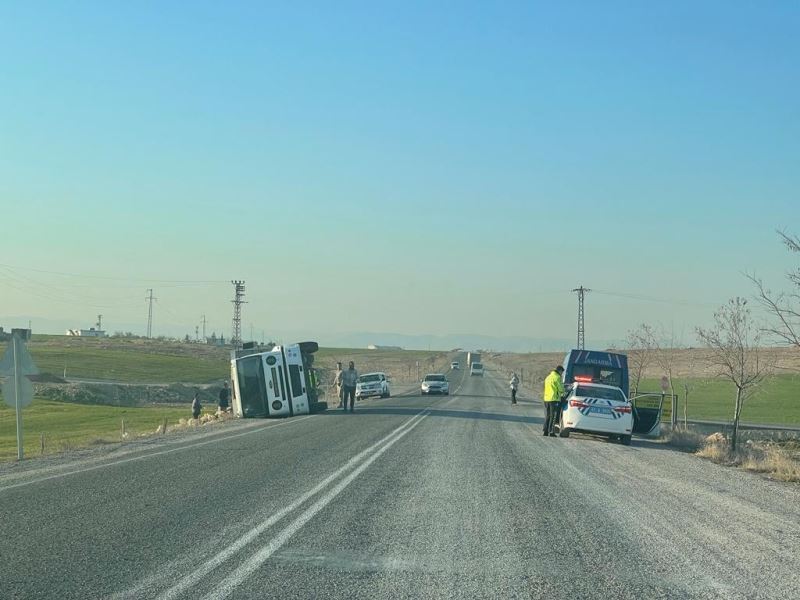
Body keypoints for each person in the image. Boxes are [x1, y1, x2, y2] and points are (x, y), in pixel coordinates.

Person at [542, 365, 565, 436]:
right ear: (560, 371)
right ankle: (551, 431)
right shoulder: (557, 378)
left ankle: (545, 431)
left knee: (548, 415)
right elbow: (561, 389)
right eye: (562, 372)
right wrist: (564, 391)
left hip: (546, 399)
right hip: (554, 399)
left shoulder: (548, 377)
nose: (562, 374)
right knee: (553, 416)